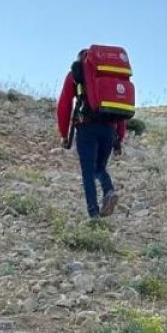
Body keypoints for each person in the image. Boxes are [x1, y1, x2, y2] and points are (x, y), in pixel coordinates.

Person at [57, 49, 126, 219]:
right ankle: (108, 190)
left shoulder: (76, 73)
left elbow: (64, 104)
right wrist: (119, 138)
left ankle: (93, 213)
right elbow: (120, 110)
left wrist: (64, 134)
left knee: (88, 171)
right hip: (109, 129)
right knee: (99, 168)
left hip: (86, 127)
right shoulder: (111, 76)